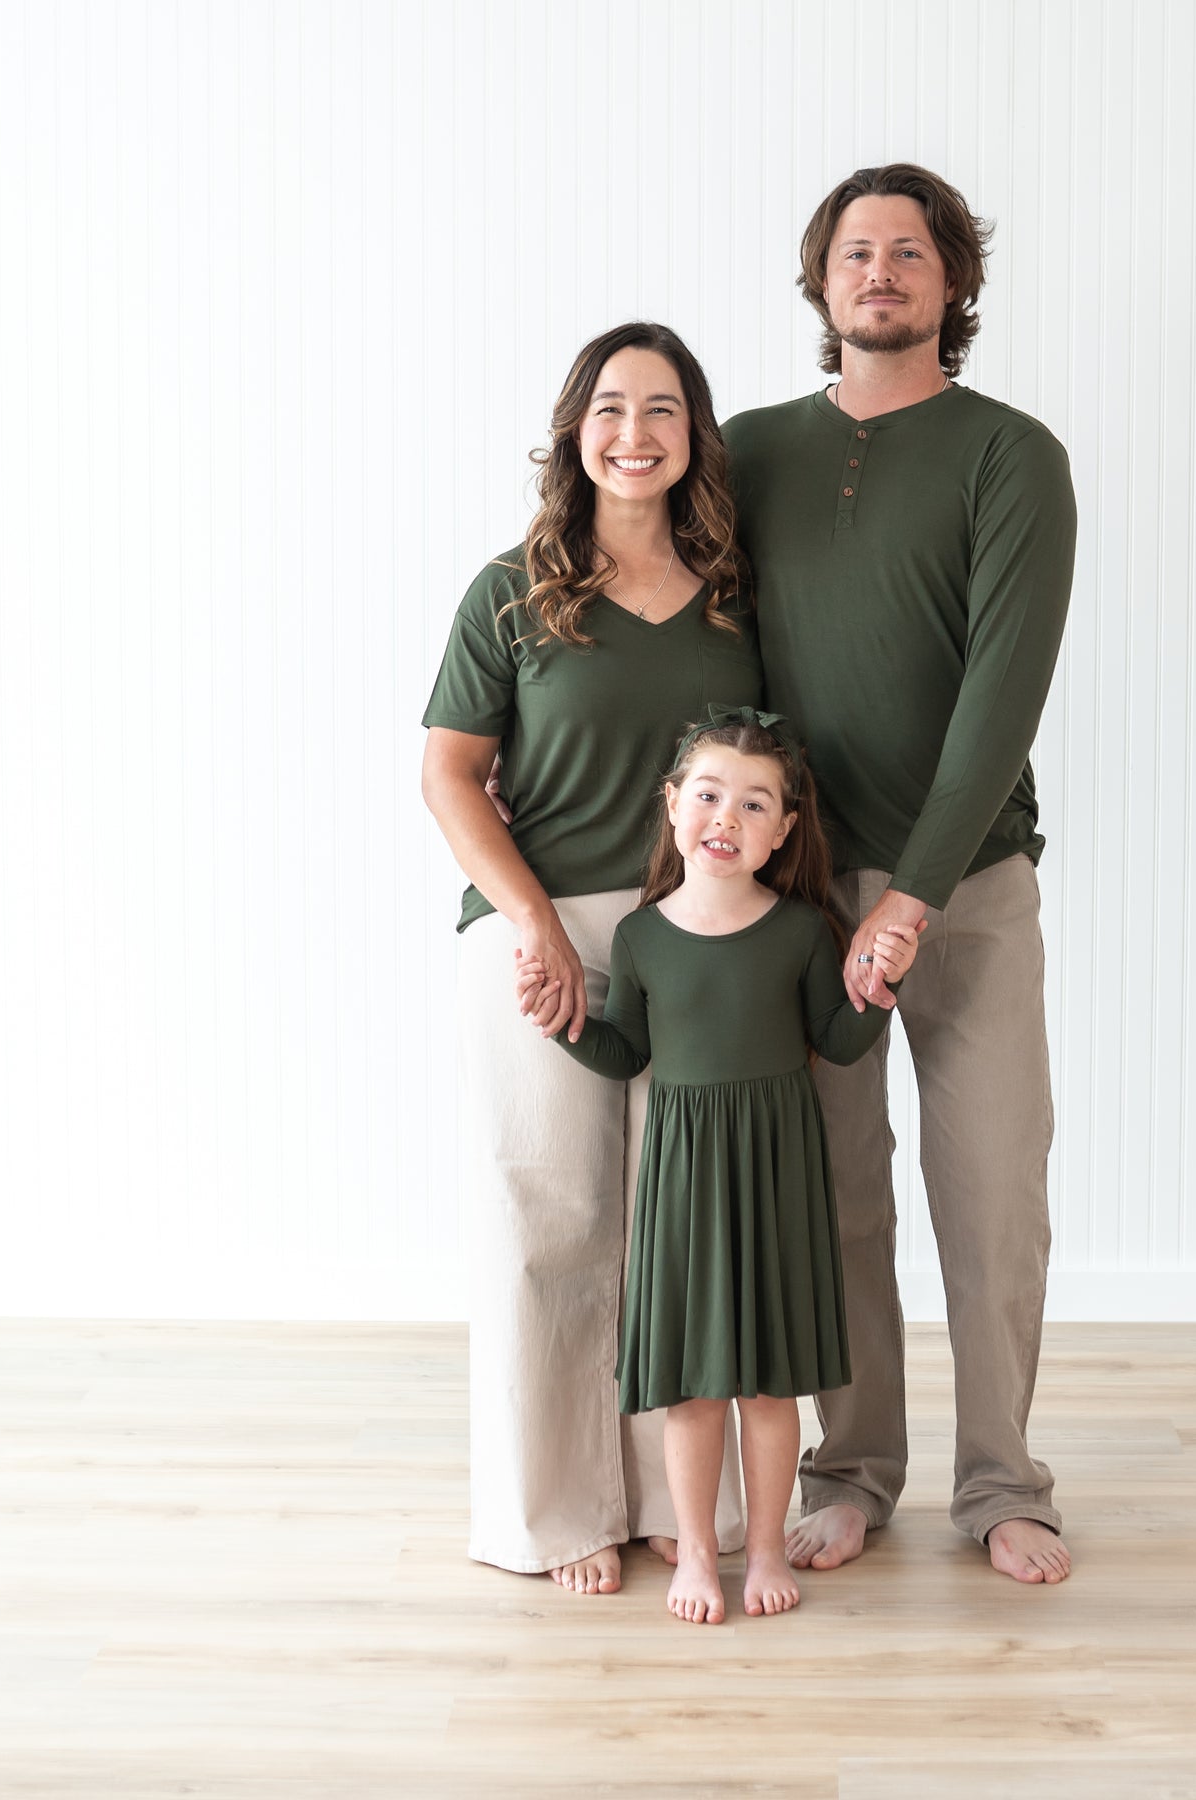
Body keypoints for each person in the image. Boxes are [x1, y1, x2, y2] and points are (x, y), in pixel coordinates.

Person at [721, 163, 1079, 1584]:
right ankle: (852, 1465)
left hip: (970, 888)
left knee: (991, 1188)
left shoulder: (1012, 455)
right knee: (836, 1196)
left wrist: (915, 897)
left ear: (953, 284)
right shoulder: (746, 450)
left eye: (911, 253)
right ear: (821, 284)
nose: (881, 273)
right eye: (856, 253)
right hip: (799, 900)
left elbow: (1006, 692)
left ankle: (1004, 1484)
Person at [420, 322, 760, 1594]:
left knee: (677, 1225)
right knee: (548, 1215)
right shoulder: (510, 590)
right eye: (611, 407)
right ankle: (555, 1513)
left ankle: (680, 1504)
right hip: (538, 932)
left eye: (662, 409)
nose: (634, 432)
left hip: (702, 936)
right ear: (575, 429)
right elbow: (450, 774)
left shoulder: (735, 592)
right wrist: (535, 925)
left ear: (693, 437)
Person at [516, 710, 920, 1623]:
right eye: (707, 795)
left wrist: (879, 982)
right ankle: (697, 1555)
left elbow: (839, 1040)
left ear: (782, 829)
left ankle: (767, 1548)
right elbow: (628, 1054)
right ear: (672, 807)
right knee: (696, 1390)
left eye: (754, 803)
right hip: (686, 1184)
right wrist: (565, 1023)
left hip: (777, 1178)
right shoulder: (641, 938)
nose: (725, 817)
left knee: (771, 1386)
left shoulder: (802, 933)